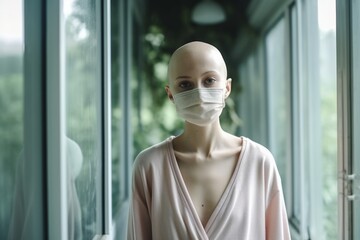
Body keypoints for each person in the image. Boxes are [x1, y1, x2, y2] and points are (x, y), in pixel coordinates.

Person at [127, 41, 291, 239]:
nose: (200, 94)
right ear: (171, 94)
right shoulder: (149, 167)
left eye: (209, 80)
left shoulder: (260, 162)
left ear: (227, 88)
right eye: (185, 84)